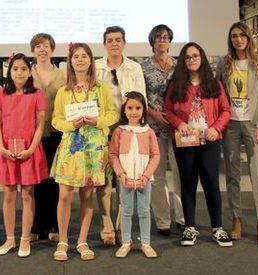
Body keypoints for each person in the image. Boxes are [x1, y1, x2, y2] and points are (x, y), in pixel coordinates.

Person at [50, 43, 119, 261]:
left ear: (91, 60)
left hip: (94, 148)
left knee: (87, 195)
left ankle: (82, 241)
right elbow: (55, 120)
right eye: (76, 56)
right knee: (64, 195)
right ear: (70, 62)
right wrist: (72, 124)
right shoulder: (64, 91)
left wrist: (97, 120)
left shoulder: (101, 89)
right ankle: (62, 240)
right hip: (71, 149)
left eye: (84, 56)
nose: (80, 60)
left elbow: (113, 114)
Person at [163, 42, 232, 247]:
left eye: (195, 55)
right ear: (183, 61)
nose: (192, 59)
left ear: (201, 58)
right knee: (188, 183)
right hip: (186, 142)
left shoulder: (214, 84)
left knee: (211, 183)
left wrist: (216, 128)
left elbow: (226, 111)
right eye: (187, 57)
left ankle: (217, 228)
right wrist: (180, 123)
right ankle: (189, 227)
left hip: (210, 141)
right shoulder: (176, 84)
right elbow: (167, 110)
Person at [216, 22, 258, 244]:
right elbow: (219, 94)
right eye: (234, 36)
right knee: (232, 175)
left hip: (253, 123)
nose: (238, 39)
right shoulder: (224, 62)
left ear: (249, 37)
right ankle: (236, 219)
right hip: (231, 125)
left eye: (242, 35)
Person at [0, 53, 48, 258]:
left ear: (29, 71)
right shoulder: (1, 94)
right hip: (6, 150)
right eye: (15, 69)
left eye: (23, 68)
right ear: (9, 71)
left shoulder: (37, 94)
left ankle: (25, 239)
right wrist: (1, 147)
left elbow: (40, 124)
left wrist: (32, 148)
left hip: (29, 150)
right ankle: (10, 239)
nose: (19, 72)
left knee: (27, 194)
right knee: (9, 194)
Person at [95, 25, 146, 245]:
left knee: (123, 178)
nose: (114, 44)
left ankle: (120, 227)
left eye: (118, 40)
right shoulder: (96, 67)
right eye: (110, 40)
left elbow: (141, 99)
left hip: (126, 129)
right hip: (101, 129)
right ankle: (106, 227)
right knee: (104, 181)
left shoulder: (134, 67)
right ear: (104, 43)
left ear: (124, 43)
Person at [140, 24, 184, 236]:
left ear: (170, 40)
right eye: (158, 37)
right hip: (154, 126)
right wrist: (155, 114)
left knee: (180, 174)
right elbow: (140, 96)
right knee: (157, 177)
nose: (162, 40)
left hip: (177, 128)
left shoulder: (179, 66)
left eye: (165, 37)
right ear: (152, 42)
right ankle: (163, 220)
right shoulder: (143, 66)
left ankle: (184, 218)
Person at [109, 91, 160, 259]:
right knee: (126, 211)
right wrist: (121, 174)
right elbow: (113, 155)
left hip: (144, 180)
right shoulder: (119, 131)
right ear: (124, 110)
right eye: (130, 108)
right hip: (126, 179)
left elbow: (155, 155)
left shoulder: (149, 132)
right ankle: (126, 242)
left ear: (143, 110)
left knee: (144, 211)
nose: (134, 111)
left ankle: (145, 243)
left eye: (138, 108)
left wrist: (146, 176)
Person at [29, 33, 66, 242]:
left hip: (58, 133)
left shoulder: (63, 74)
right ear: (33, 50)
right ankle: (37, 225)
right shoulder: (27, 73)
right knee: (36, 179)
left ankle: (53, 224)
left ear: (52, 49)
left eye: (46, 46)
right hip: (34, 134)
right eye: (38, 46)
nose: (42, 50)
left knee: (54, 179)